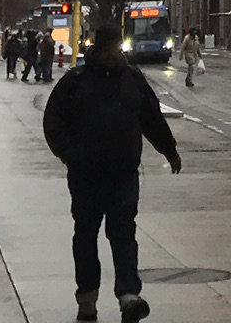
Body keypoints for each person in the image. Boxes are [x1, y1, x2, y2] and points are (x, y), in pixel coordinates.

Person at [43, 23, 182, 323]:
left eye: (116, 49)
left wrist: (168, 149)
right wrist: (71, 156)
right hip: (86, 176)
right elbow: (53, 122)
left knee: (123, 234)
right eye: (108, 49)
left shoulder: (132, 80)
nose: (112, 55)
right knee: (85, 236)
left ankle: (129, 297)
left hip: (123, 174)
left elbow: (151, 118)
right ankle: (87, 298)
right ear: (97, 49)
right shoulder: (76, 81)